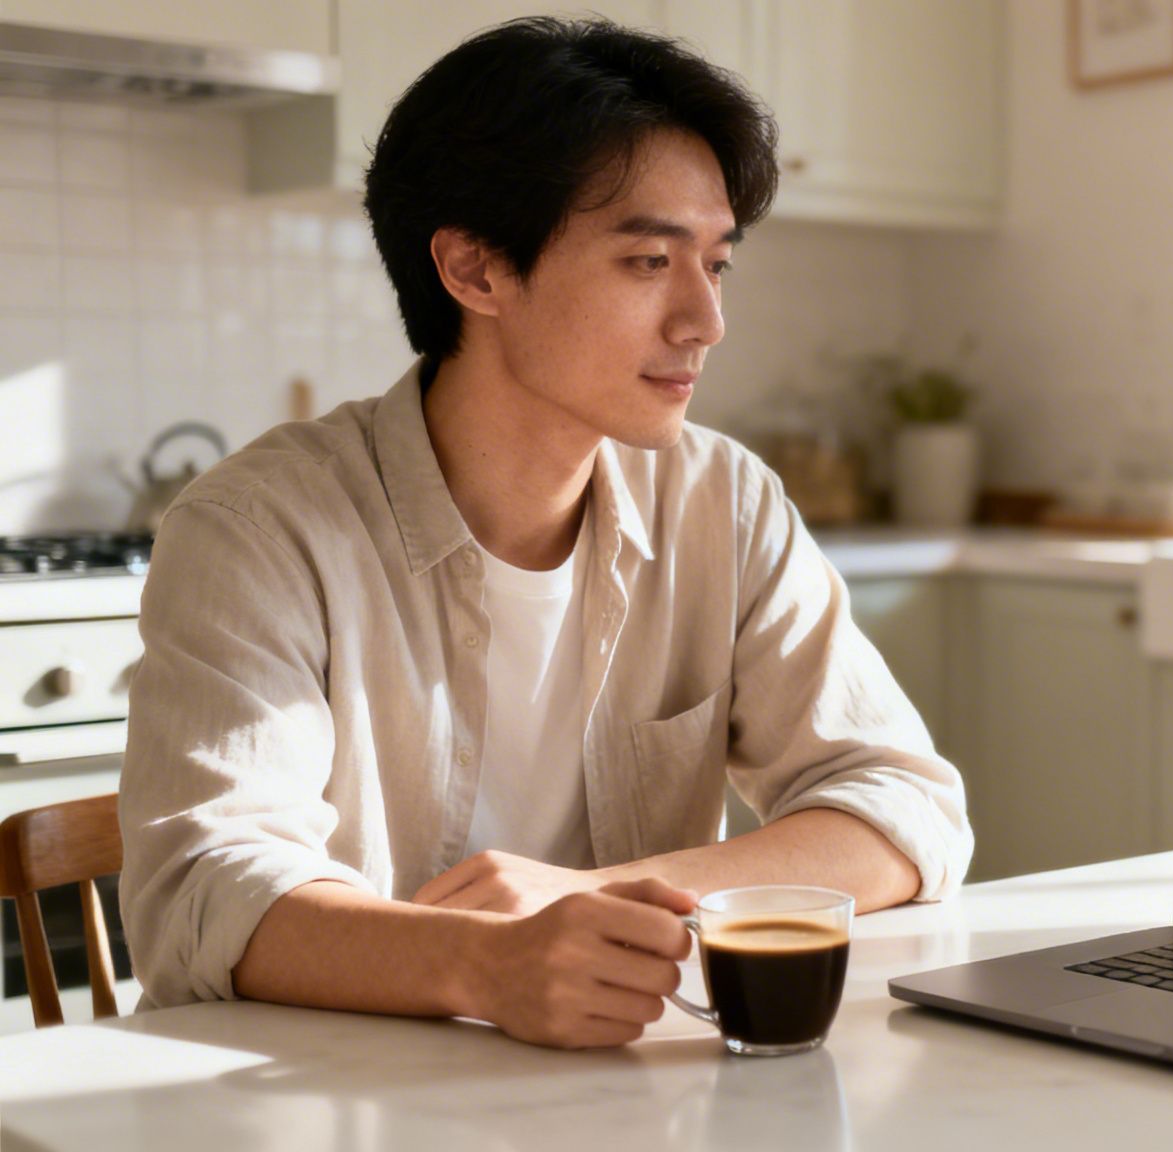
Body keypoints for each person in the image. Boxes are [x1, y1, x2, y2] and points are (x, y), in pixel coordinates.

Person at [116, 17, 971, 1050]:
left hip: (618, 1098)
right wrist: (487, 963)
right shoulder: (260, 529)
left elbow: (901, 809)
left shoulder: (723, 500)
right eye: (650, 259)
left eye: (716, 264)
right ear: (475, 272)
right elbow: (203, 895)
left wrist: (593, 896)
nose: (704, 320)